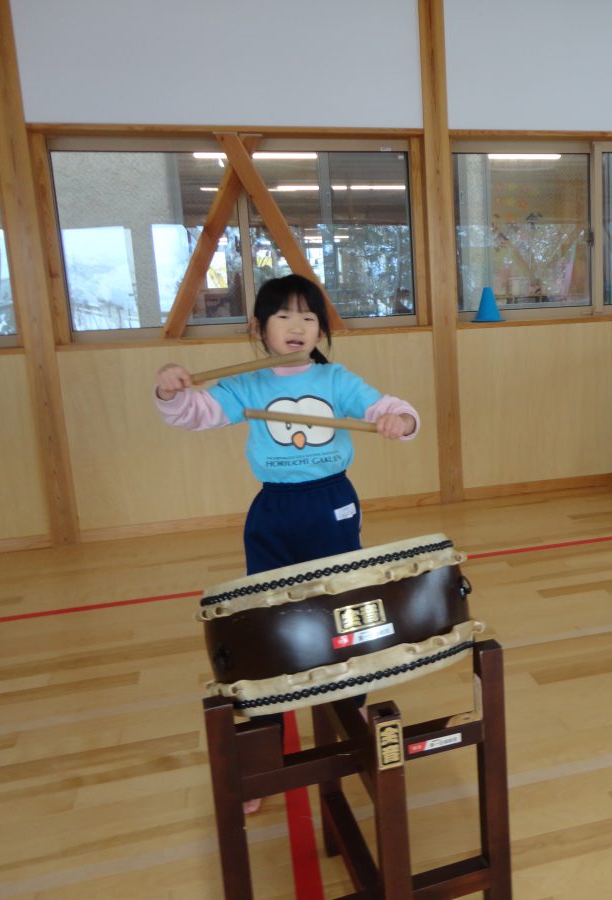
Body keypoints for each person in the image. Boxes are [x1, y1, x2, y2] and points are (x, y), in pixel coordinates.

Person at [155, 273, 419, 810]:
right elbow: (194, 413)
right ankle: (262, 746)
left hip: (332, 504)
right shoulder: (247, 384)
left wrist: (401, 420)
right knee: (265, 621)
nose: (297, 326)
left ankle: (353, 707)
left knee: (342, 610)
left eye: (308, 316)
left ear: (320, 330)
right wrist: (168, 390)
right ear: (259, 328)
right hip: (273, 510)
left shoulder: (336, 378)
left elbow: (390, 409)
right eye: (283, 316)